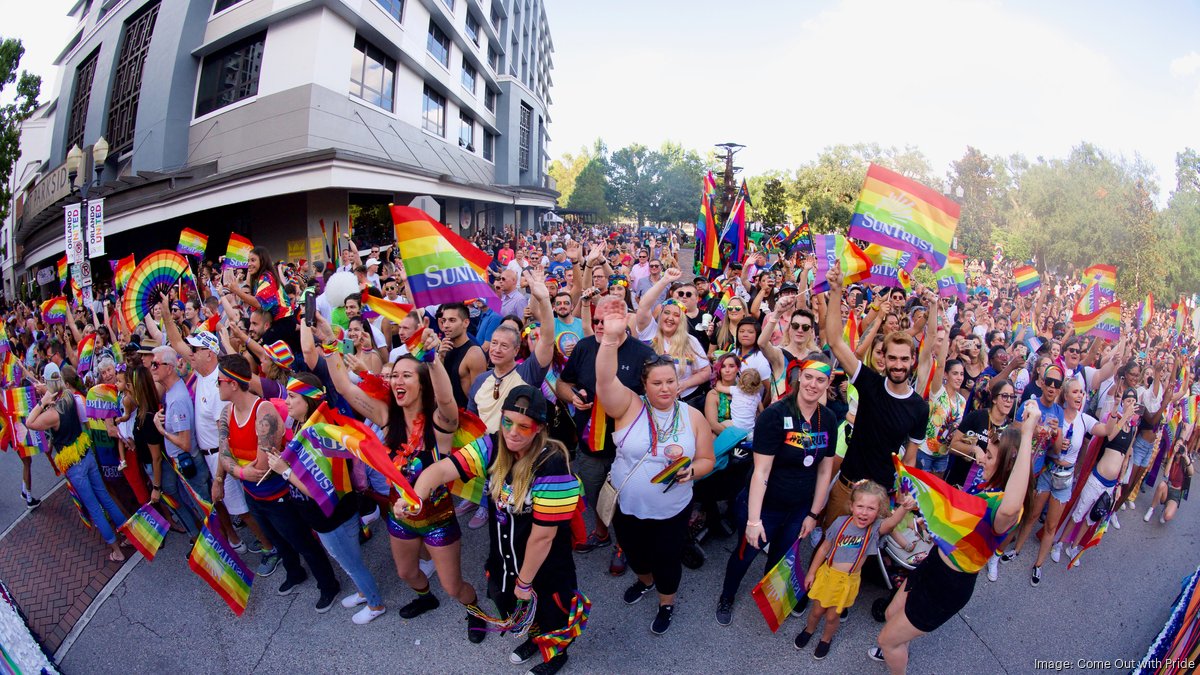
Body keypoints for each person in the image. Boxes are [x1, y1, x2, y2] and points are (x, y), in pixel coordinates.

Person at [327, 324, 488, 641]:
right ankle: (425, 598)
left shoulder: (440, 425)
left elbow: (446, 400)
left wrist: (432, 359)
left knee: (453, 586)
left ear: (422, 384)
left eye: (406, 375)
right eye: (394, 375)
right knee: (406, 572)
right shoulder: (389, 418)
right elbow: (345, 388)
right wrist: (330, 345)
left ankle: (476, 611)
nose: (397, 380)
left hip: (438, 518)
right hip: (400, 517)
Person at [408, 386, 582, 675]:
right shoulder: (491, 446)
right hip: (503, 560)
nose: (513, 432)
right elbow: (439, 471)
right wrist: (414, 498)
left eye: (524, 426)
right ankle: (533, 638)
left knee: (553, 611)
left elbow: (544, 536)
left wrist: (525, 582)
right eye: (507, 421)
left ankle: (556, 655)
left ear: (539, 429)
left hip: (545, 565)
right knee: (510, 604)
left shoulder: (553, 464)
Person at [869, 401, 1040, 673]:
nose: (982, 457)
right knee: (891, 614)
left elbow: (1009, 506)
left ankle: (895, 652)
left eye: (991, 457)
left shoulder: (1007, 507)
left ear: (1010, 464)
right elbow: (959, 525)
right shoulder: (987, 488)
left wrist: (1028, 432)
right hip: (934, 563)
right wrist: (924, 515)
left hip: (949, 586)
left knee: (886, 641)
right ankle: (899, 645)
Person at [596, 308, 715, 634]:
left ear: (678, 383)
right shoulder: (629, 407)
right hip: (628, 507)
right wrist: (609, 338)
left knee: (666, 561)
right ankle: (644, 582)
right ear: (644, 385)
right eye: (657, 383)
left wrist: (692, 471)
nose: (665, 388)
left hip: (672, 511)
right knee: (635, 554)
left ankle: (666, 602)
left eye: (670, 382)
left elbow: (707, 459)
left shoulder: (693, 416)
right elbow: (605, 380)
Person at [715, 357, 838, 627]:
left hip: (799, 508)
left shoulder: (828, 420)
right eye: (808, 377)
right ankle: (727, 595)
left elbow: (824, 471)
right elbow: (761, 471)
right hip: (764, 505)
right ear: (799, 378)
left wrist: (813, 514)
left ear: (828, 384)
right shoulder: (775, 414)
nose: (813, 384)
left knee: (782, 555)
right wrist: (754, 520)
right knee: (744, 554)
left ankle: (773, 593)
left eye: (820, 380)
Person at [213, 355, 341, 611]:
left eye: (220, 381)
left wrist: (233, 467)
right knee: (278, 541)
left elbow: (262, 470)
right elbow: (223, 452)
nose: (217, 386)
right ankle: (295, 574)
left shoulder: (264, 414)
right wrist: (235, 470)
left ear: (234, 384)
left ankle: (328, 585)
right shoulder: (227, 411)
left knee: (302, 541)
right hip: (253, 494)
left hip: (278, 495)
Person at [266, 373, 387, 624]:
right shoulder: (301, 425)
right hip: (320, 516)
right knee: (347, 560)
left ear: (308, 400)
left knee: (351, 563)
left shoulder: (320, 433)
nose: (285, 401)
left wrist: (284, 471)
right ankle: (364, 592)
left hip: (332, 516)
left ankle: (375, 604)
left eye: (292, 396)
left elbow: (321, 489)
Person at [821, 262, 929, 529]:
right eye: (892, 357)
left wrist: (904, 489)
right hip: (846, 488)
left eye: (904, 359)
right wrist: (836, 292)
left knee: (858, 562)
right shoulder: (869, 382)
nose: (898, 364)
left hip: (879, 497)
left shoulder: (919, 407)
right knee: (827, 548)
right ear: (884, 358)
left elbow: (911, 457)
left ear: (912, 360)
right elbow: (835, 340)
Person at [555, 295, 656, 561]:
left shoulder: (644, 355)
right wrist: (572, 396)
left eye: (606, 321)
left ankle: (624, 545)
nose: (599, 326)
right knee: (594, 492)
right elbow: (562, 384)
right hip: (590, 444)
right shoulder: (585, 347)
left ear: (622, 321)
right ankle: (601, 533)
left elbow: (657, 401)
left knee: (626, 499)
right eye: (596, 320)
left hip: (627, 446)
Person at [797, 481, 914, 659]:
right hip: (828, 575)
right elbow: (823, 549)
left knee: (832, 617)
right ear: (851, 506)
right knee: (816, 611)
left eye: (871, 508)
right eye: (860, 506)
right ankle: (809, 629)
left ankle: (826, 639)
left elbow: (891, 523)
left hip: (848, 582)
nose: (864, 512)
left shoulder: (875, 529)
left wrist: (904, 507)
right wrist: (812, 572)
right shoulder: (840, 523)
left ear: (878, 512)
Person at [27, 373, 128, 562]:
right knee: (105, 497)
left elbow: (30, 422)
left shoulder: (52, 414)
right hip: (86, 455)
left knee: (94, 507)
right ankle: (128, 537)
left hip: (75, 466)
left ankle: (117, 551)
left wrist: (42, 403)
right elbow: (58, 385)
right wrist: (48, 389)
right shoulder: (68, 397)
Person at [437, 302, 488, 408]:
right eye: (444, 320)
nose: (446, 325)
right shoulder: (444, 348)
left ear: (465, 323)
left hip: (465, 417)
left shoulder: (474, 354)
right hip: (445, 413)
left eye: (452, 320)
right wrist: (440, 357)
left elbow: (479, 398)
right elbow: (439, 384)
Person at [1145, 437, 1194, 524]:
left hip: (1176, 494)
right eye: (1177, 445)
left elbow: (1191, 472)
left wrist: (1185, 456)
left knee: (1167, 517)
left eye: (1181, 446)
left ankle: (1166, 509)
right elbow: (1166, 474)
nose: (1179, 448)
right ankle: (1151, 509)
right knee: (1161, 485)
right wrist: (1173, 455)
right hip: (1167, 489)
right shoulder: (1171, 458)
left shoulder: (1185, 461)